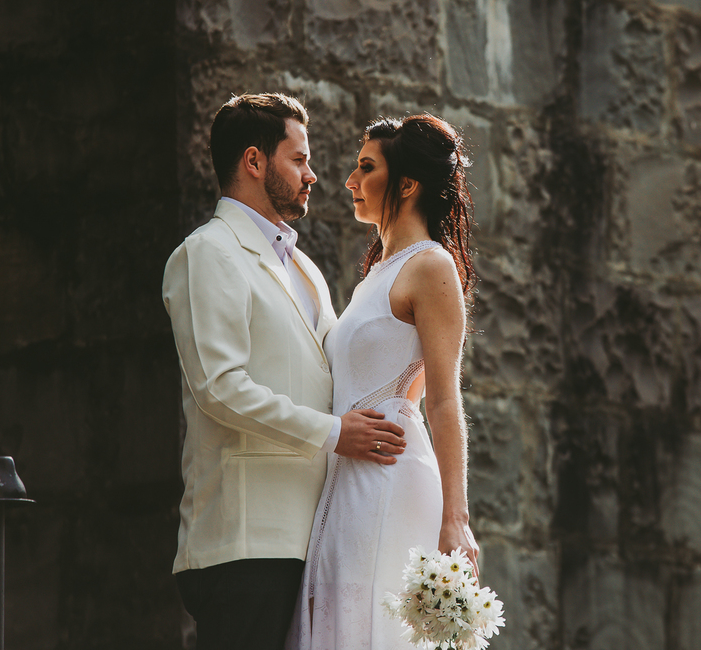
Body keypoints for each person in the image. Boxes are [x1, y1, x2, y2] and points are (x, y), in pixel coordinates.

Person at [163, 93, 410, 650]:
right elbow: (218, 389)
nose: (313, 175)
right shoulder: (207, 252)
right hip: (246, 542)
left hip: (315, 538)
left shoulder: (304, 267)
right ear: (254, 162)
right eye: (298, 160)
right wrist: (335, 432)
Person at [286, 113, 480, 650]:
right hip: (349, 476)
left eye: (366, 167)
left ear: (408, 184)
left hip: (390, 478)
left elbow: (442, 399)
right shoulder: (377, 272)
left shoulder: (431, 267)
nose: (349, 180)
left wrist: (454, 518)